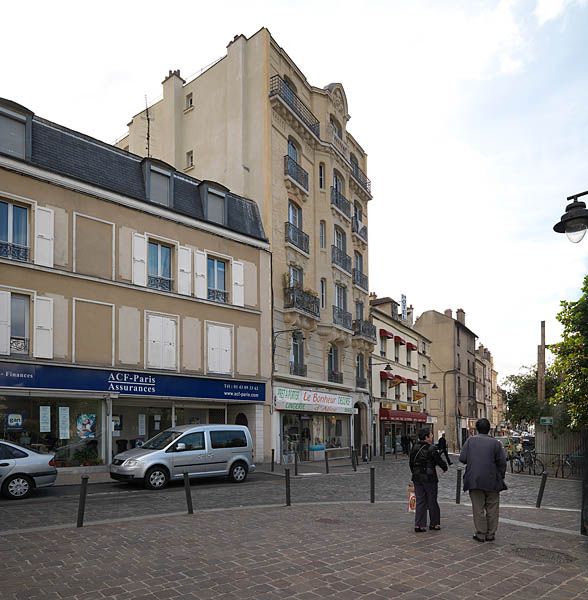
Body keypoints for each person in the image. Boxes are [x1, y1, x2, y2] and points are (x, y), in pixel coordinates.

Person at [459, 418, 507, 543]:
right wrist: (500, 476)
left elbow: (462, 458)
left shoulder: (470, 441)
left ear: (477, 429)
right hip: (492, 479)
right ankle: (491, 533)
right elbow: (502, 462)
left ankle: (481, 533)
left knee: (478, 507)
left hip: (474, 479)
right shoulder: (496, 443)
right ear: (489, 429)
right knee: (492, 507)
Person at [409, 427, 448, 532]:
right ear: (426, 437)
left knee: (420, 500)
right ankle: (434, 523)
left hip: (417, 477)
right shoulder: (432, 448)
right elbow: (439, 461)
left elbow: (411, 463)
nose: (432, 436)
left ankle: (419, 524)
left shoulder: (414, 447)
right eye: (430, 435)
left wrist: (415, 472)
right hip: (429, 478)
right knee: (432, 500)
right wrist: (445, 467)